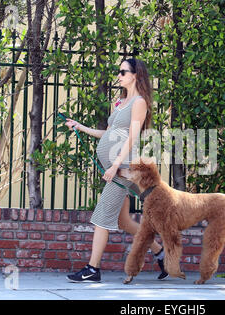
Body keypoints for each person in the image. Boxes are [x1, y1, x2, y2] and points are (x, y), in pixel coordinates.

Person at [65, 58, 167, 282]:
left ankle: (93, 269)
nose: (118, 75)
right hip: (116, 166)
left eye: (123, 71)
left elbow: (131, 138)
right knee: (123, 222)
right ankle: (161, 253)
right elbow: (108, 134)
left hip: (124, 168)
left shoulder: (139, 103)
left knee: (102, 216)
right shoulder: (120, 102)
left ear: (135, 75)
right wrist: (79, 127)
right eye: (118, 71)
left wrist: (114, 165)